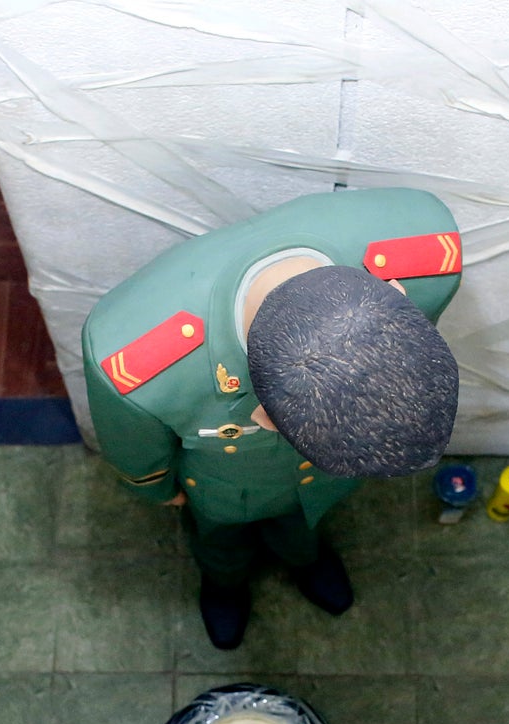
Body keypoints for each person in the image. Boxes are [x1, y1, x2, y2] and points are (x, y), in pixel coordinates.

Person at [83, 189, 462, 649]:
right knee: (220, 537)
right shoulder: (135, 367)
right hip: (226, 484)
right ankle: (224, 583)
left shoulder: (430, 261)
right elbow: (139, 459)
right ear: (263, 416)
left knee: (304, 523)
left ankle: (305, 556)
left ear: (395, 293)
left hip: (317, 483)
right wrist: (165, 493)